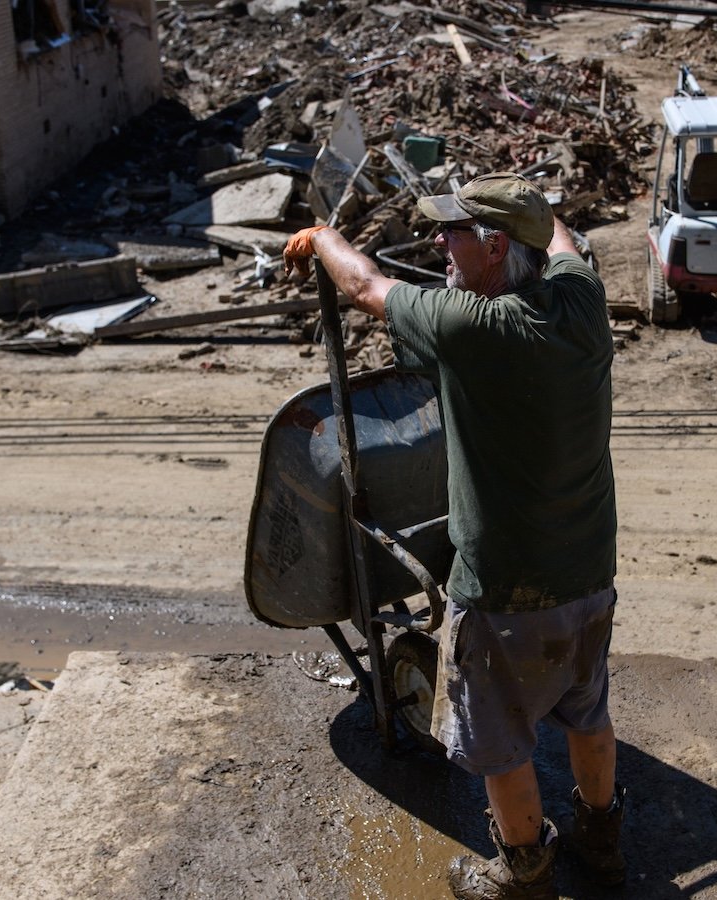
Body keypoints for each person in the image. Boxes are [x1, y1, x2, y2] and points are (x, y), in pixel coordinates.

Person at [283, 172, 624, 898]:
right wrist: (536, 205)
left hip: (507, 583)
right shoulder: (581, 298)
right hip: (590, 566)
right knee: (587, 709)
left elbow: (367, 290)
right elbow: (559, 238)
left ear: (496, 247)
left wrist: (321, 239)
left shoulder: (472, 327)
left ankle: (523, 871)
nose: (439, 242)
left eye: (454, 232)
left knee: (498, 738)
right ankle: (602, 838)